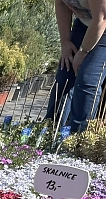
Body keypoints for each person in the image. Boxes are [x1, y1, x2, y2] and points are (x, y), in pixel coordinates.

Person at [46, 0, 106, 131]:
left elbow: (101, 19)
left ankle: (80, 138)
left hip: (102, 22)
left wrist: (82, 53)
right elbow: (61, 3)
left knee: (87, 79)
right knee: (65, 75)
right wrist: (65, 43)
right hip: (85, 22)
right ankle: (50, 133)